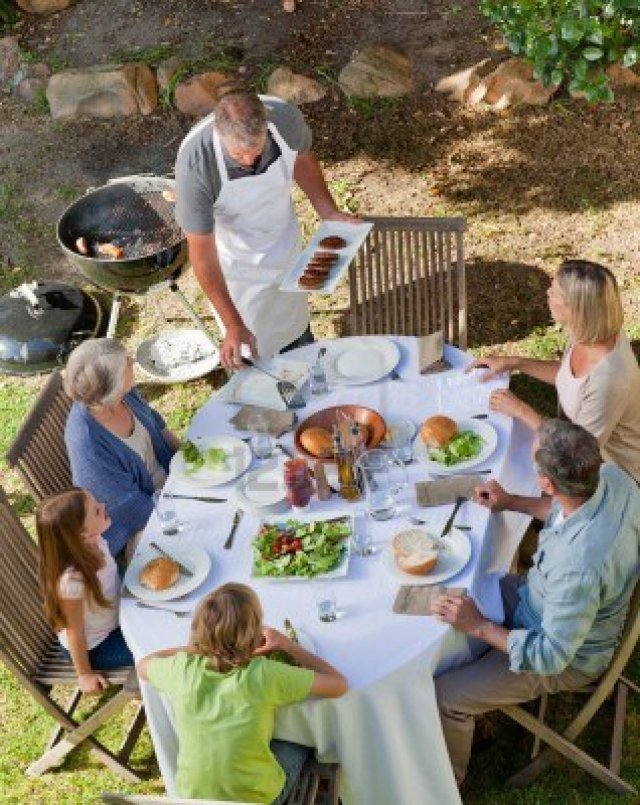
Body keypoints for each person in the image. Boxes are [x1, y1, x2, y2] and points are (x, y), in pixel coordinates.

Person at [431, 419, 640, 786]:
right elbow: (564, 512)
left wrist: (480, 626)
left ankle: (447, 785)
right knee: (460, 589)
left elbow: (550, 656)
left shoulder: (579, 568)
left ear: (547, 483)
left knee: (447, 696)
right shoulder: (612, 478)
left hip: (565, 655)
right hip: (541, 597)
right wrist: (510, 502)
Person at [174, 86, 357, 368]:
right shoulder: (196, 164)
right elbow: (201, 253)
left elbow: (303, 160)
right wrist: (232, 324)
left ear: (266, 127)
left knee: (295, 324)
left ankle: (304, 356)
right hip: (239, 270)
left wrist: (328, 211)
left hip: (284, 243)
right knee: (255, 353)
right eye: (239, 156)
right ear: (220, 135)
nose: (250, 161)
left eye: (256, 151)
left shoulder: (284, 119)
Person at [137, 582, 347, 803]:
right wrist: (288, 645)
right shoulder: (264, 674)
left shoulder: (182, 670)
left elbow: (143, 665)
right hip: (253, 800)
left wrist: (203, 646)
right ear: (253, 632)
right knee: (303, 740)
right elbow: (338, 685)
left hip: (194, 799)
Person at [467, 259, 640, 481]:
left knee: (505, 471)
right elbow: (569, 377)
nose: (547, 292)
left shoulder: (609, 379)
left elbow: (577, 455)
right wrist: (515, 362)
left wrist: (522, 411)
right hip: (572, 437)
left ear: (576, 308)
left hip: (611, 474)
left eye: (555, 292)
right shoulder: (589, 332)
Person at [64, 338, 180, 557]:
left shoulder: (123, 395)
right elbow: (130, 509)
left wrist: (189, 458)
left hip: (174, 490)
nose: (132, 361)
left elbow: (158, 426)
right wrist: (181, 508)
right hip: (143, 525)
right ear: (112, 386)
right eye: (125, 362)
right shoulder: (89, 445)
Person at [37, 489, 134, 694]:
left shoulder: (96, 540)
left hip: (116, 617)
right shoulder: (72, 581)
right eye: (96, 511)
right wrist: (84, 674)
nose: (104, 506)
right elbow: (75, 632)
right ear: (81, 535)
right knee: (156, 644)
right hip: (97, 647)